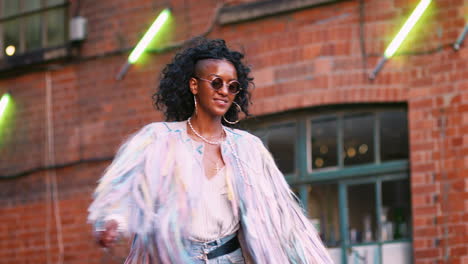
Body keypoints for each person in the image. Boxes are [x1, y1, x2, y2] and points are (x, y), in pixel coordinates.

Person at [88, 37, 332, 264]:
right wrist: (113, 220)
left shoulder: (247, 148)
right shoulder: (158, 139)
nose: (224, 91)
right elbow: (121, 188)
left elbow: (283, 218)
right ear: (194, 85)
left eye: (232, 86)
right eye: (216, 82)